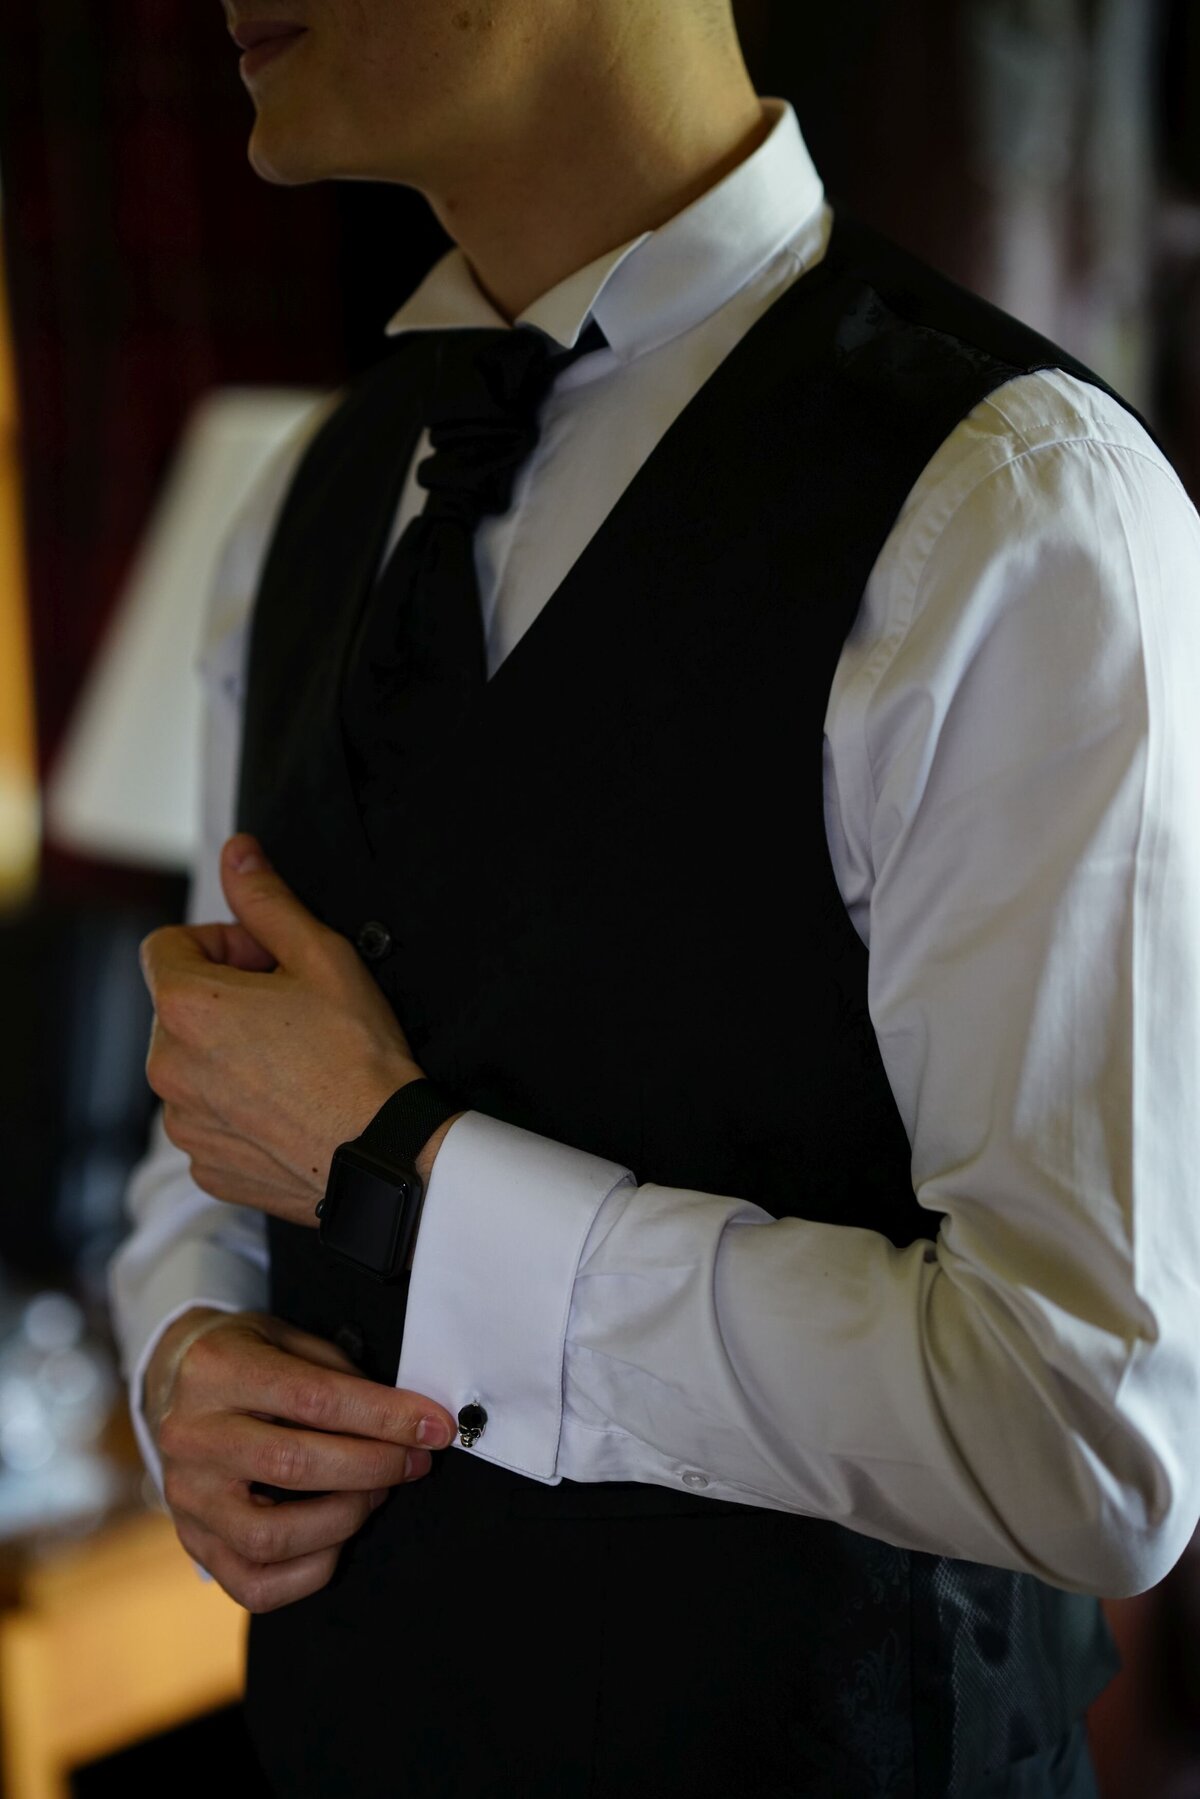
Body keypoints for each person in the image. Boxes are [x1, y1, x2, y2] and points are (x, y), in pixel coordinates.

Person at [107, 2, 1200, 1796]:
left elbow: (1090, 1434)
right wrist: (181, 1348)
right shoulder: (304, 494)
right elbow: (221, 1096)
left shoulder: (1015, 513)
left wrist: (412, 1177)